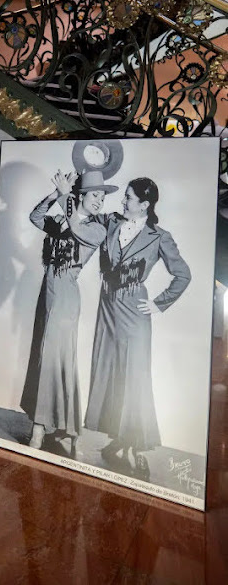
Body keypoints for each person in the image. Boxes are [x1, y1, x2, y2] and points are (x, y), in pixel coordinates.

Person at [70, 177, 191, 479]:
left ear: (145, 204)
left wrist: (159, 304)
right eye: (124, 197)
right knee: (109, 373)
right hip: (107, 308)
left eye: (129, 198)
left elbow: (183, 275)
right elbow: (83, 217)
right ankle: (119, 440)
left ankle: (136, 446)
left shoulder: (159, 237)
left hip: (134, 313)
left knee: (135, 380)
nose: (122, 202)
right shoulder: (111, 222)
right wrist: (71, 192)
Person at [20, 167, 118, 458]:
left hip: (65, 297)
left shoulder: (96, 229)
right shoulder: (61, 220)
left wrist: (65, 198)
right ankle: (62, 426)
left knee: (55, 358)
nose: (100, 201)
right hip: (47, 293)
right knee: (44, 357)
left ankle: (40, 428)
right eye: (95, 195)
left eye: (102, 197)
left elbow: (76, 228)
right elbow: (35, 217)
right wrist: (56, 193)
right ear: (82, 195)